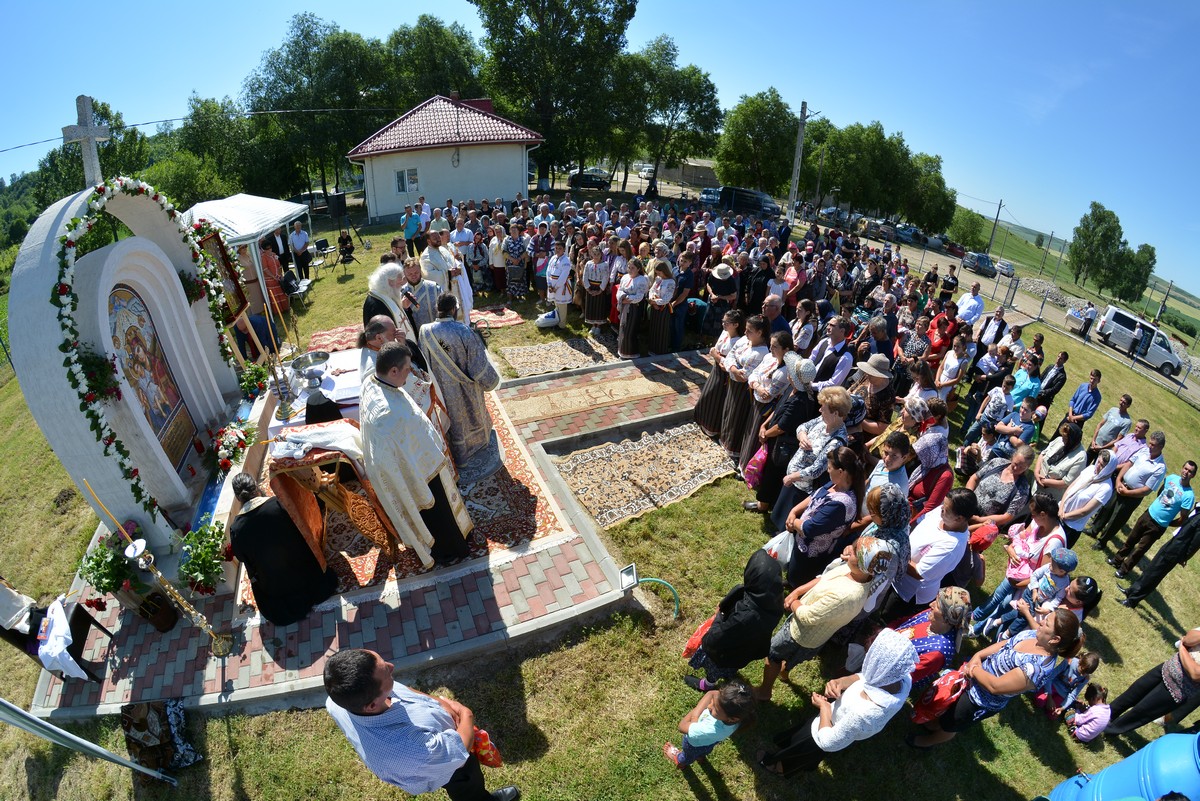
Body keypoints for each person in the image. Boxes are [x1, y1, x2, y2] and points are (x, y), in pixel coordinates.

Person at [324, 648, 520, 800]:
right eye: (387, 674)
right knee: (466, 783)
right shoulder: (415, 751)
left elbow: (405, 692)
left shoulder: (339, 700)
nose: (392, 666)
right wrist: (466, 714)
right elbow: (459, 750)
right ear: (372, 705)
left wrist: (441, 703)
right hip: (449, 767)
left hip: (439, 751)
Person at [360, 343, 472, 569]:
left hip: (410, 460)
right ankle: (448, 550)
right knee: (437, 510)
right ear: (393, 371)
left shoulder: (371, 381)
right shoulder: (390, 415)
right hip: (418, 471)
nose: (409, 374)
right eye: (407, 369)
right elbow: (408, 441)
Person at [909, 608, 1082, 747]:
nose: (1041, 621)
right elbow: (1005, 645)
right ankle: (934, 724)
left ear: (1055, 639)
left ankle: (926, 742)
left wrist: (974, 669)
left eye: (1046, 623)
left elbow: (995, 686)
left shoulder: (1036, 668)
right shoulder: (1035, 635)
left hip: (978, 700)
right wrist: (978, 656)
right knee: (947, 705)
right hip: (972, 677)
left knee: (951, 723)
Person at [757, 627, 916, 776]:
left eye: (869, 659)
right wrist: (842, 682)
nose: (866, 663)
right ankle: (785, 749)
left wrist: (824, 708)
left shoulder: (866, 714)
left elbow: (828, 742)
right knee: (800, 736)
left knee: (799, 752)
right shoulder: (900, 678)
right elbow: (866, 677)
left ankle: (778, 767)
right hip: (829, 717)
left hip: (822, 733)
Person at [756, 535, 896, 701]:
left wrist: (792, 601)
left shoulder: (848, 595)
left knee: (773, 655)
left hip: (801, 633)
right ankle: (784, 672)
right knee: (793, 658)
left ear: (861, 563)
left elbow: (807, 617)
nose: (849, 550)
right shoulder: (856, 573)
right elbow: (824, 578)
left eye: (854, 551)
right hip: (813, 634)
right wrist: (798, 591)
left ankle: (764, 692)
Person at [228, 473, 337, 626]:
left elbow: (241, 557)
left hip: (278, 586)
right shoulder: (278, 504)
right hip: (303, 568)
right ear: (256, 487)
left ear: (238, 498)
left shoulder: (236, 529)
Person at [418, 294, 502, 473]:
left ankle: (455, 455)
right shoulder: (464, 331)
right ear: (453, 309)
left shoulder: (425, 331)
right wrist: (490, 380)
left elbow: (424, 361)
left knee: (450, 420)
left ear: (437, 308)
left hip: (440, 390)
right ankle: (474, 448)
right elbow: (478, 366)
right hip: (464, 387)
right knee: (469, 416)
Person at [684, 550, 785, 691]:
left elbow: (718, 638)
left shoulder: (745, 616)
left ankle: (708, 684)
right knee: (732, 665)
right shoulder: (774, 603)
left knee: (715, 666)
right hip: (746, 650)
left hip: (724, 650)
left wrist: (711, 631)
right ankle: (728, 673)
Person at [876, 489, 976, 624]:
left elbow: (918, 573)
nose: (941, 509)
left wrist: (894, 551)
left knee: (886, 619)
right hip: (897, 572)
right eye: (943, 504)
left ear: (959, 518)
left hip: (907, 591)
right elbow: (919, 521)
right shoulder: (942, 513)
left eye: (946, 509)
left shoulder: (951, 546)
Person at [778, 446, 865, 588]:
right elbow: (815, 495)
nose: (827, 471)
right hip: (802, 541)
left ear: (841, 472)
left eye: (829, 468)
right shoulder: (836, 483)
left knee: (799, 579)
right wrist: (794, 511)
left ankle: (795, 589)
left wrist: (794, 522)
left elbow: (810, 528)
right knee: (793, 572)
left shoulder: (841, 504)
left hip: (811, 552)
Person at [768, 389, 852, 531]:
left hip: (803, 488)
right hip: (794, 481)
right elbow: (802, 426)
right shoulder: (823, 420)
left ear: (835, 413)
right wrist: (802, 436)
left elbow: (816, 470)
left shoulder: (836, 441)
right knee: (781, 516)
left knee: (789, 523)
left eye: (823, 408)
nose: (820, 410)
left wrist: (792, 477)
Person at [1105, 627, 1200, 737]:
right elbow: (1188, 639)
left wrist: (1182, 649)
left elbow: (1195, 673)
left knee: (1140, 712)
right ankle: (1101, 716)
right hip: (1166, 669)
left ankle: (1108, 731)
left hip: (1178, 689)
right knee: (1131, 694)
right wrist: (1185, 646)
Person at [1112, 460, 1196, 579]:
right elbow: (1160, 493)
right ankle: (1117, 560)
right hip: (1148, 514)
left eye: (1190, 471)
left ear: (1193, 475)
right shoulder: (1171, 478)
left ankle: (1123, 570)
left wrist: (1168, 522)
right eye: (1185, 469)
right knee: (1131, 539)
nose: (1186, 472)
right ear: (1182, 468)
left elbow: (1182, 518)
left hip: (1158, 526)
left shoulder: (1189, 496)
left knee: (1140, 549)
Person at [1089, 431, 1168, 549]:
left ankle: (1102, 541)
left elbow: (1147, 489)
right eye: (1150, 443)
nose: (1150, 446)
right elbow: (1129, 464)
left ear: (1161, 447)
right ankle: (1094, 529)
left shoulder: (1160, 467)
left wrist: (1127, 492)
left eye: (1153, 445)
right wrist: (1118, 480)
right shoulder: (1144, 451)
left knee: (1116, 519)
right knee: (1106, 508)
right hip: (1121, 485)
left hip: (1132, 496)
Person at [890, 587, 973, 692]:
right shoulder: (931, 615)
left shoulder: (937, 653)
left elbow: (903, 678)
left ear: (946, 617)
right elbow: (905, 622)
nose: (931, 605)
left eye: (937, 605)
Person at [663, 681, 756, 769]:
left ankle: (680, 761)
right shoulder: (739, 714)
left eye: (715, 709)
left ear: (732, 718)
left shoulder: (710, 729)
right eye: (713, 702)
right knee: (704, 751)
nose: (709, 706)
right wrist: (696, 716)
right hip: (709, 742)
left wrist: (695, 715)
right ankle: (700, 757)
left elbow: (682, 726)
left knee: (688, 756)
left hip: (693, 744)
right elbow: (712, 693)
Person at [1120, 508, 1200, 608]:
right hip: (1173, 543)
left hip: (1177, 551)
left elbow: (1196, 543)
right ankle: (1131, 590)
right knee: (1151, 569)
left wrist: (1184, 557)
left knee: (1155, 575)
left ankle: (1132, 601)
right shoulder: (1197, 510)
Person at [362, 261, 429, 371]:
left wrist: (404, 308)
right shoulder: (376, 304)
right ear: (389, 282)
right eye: (399, 281)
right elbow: (382, 338)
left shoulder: (386, 294)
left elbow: (399, 318)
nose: (402, 284)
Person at [719, 315, 770, 460]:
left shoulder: (762, 353)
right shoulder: (744, 340)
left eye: (749, 331)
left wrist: (732, 368)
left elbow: (745, 376)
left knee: (736, 416)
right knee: (728, 411)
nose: (745, 332)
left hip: (744, 390)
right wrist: (734, 368)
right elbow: (731, 354)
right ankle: (724, 440)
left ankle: (732, 447)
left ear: (759, 333)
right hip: (733, 383)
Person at [695, 311, 744, 437]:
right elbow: (716, 348)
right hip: (716, 369)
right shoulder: (725, 333)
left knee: (717, 399)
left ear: (736, 325)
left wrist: (716, 356)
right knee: (708, 395)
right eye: (723, 321)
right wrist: (715, 354)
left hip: (724, 375)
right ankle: (702, 421)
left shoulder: (738, 342)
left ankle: (712, 427)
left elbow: (728, 363)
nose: (723, 324)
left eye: (726, 322)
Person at [967, 445, 1035, 533]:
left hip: (983, 524)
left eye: (1021, 467)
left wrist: (978, 520)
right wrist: (967, 498)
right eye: (1015, 463)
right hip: (968, 506)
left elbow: (1007, 517)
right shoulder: (997, 463)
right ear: (1012, 457)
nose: (1016, 468)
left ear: (1027, 467)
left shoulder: (1023, 490)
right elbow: (974, 478)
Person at [1058, 450, 1117, 548]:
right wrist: (1061, 509)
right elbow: (1071, 487)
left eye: (1102, 466)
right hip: (1059, 512)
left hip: (1070, 527)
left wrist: (1065, 516)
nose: (1098, 466)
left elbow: (1085, 511)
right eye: (1098, 461)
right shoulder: (1090, 469)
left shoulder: (1106, 488)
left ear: (1109, 469)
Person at [1034, 423, 1087, 501]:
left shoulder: (1081, 457)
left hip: (1048, 496)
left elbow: (1066, 482)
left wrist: (1044, 481)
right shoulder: (1059, 440)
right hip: (1035, 485)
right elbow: (1042, 454)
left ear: (1073, 440)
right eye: (1062, 436)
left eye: (1065, 438)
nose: (1062, 439)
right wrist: (1036, 472)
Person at [615, 258, 648, 359]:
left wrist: (626, 299)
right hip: (625, 306)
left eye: (632, 268)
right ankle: (622, 352)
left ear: (638, 269)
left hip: (634, 308)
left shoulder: (642, 280)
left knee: (630, 330)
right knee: (623, 328)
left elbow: (639, 296)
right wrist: (622, 297)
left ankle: (631, 353)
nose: (630, 270)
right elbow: (619, 290)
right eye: (629, 267)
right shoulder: (625, 277)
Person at [1087, 394, 1134, 464]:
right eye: (1121, 400)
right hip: (1095, 443)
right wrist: (1093, 440)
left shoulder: (1127, 422)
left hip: (1104, 449)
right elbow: (1100, 424)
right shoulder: (1113, 410)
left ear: (1128, 406)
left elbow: (1118, 440)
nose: (1121, 403)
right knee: (1084, 462)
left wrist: (1101, 448)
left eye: (1124, 402)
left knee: (1096, 467)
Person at [536, 240, 572, 329]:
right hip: (552, 284)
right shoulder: (553, 258)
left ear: (564, 249)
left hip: (561, 285)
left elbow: (564, 276)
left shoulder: (566, 260)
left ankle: (562, 325)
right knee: (556, 304)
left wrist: (556, 287)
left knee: (562, 305)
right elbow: (548, 271)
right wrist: (549, 284)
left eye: (560, 248)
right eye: (556, 248)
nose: (558, 250)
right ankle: (557, 320)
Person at [646, 259, 676, 354]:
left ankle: (660, 350)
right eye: (657, 273)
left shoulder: (671, 282)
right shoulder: (658, 279)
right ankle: (652, 349)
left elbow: (667, 298)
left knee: (661, 329)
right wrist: (652, 299)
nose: (658, 274)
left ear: (664, 271)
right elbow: (652, 290)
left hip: (663, 308)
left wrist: (655, 302)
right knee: (654, 328)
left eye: (659, 273)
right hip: (655, 306)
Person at [581, 246, 611, 336]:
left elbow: (606, 277)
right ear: (591, 254)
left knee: (599, 306)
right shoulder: (588, 264)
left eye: (598, 254)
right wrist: (588, 288)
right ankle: (593, 325)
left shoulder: (604, 264)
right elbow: (585, 276)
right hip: (590, 287)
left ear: (601, 255)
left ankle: (598, 326)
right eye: (594, 254)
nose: (596, 256)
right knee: (592, 306)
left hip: (599, 287)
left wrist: (600, 290)